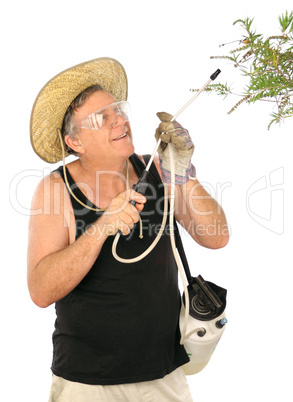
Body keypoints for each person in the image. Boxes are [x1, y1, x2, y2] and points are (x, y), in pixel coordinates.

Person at [28, 57, 229, 402]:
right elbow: (41, 291)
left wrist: (183, 175)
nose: (119, 120)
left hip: (164, 375)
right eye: (101, 118)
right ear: (74, 142)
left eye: (118, 110)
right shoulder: (56, 189)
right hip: (85, 382)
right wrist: (101, 226)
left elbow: (216, 236)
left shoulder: (157, 170)